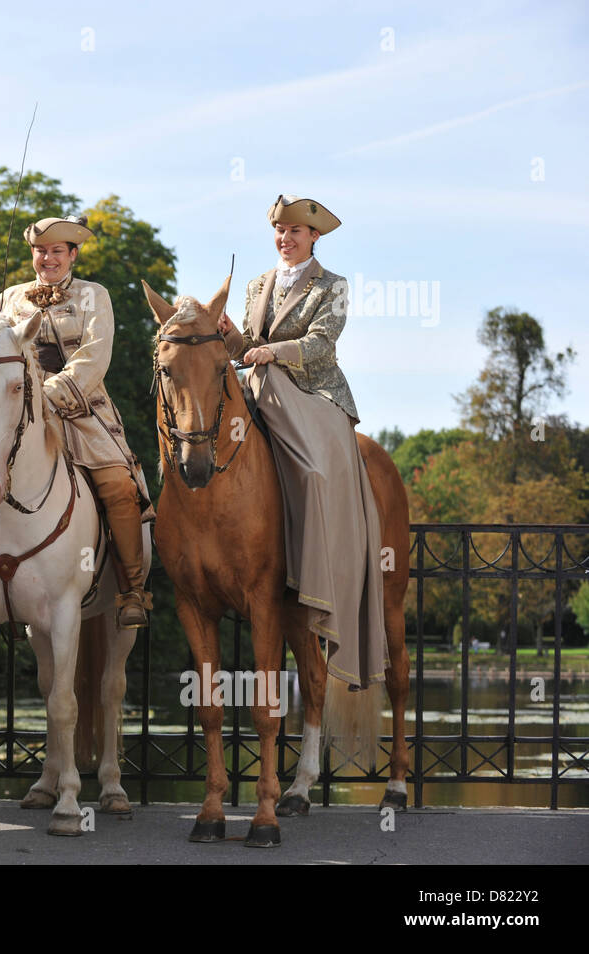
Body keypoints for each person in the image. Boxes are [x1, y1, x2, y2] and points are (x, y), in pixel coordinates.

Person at [0, 215, 155, 634]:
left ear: (72, 254)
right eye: (41, 251)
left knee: (117, 484)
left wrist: (49, 395)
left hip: (80, 409)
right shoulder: (9, 297)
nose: (48, 258)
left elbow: (95, 357)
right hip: (7, 412)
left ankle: (131, 591)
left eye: (57, 251)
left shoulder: (94, 295)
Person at [216, 194, 386, 688]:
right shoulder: (255, 285)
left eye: (295, 232)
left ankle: (314, 575)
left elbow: (320, 345)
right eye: (279, 231)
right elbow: (245, 348)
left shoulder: (333, 286)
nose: (285, 239)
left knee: (313, 472)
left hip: (315, 392)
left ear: (314, 237)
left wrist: (271, 351)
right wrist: (230, 336)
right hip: (259, 385)